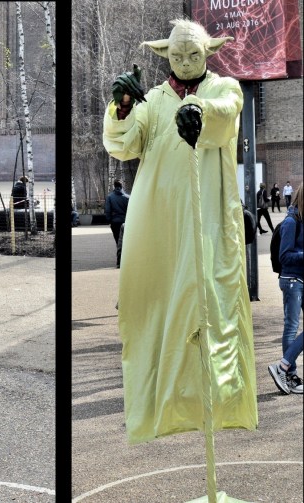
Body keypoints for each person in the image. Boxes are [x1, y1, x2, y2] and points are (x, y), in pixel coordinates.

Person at [103, 19, 257, 444]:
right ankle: (165, 405)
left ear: (207, 52)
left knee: (210, 309)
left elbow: (226, 116)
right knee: (154, 314)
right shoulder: (153, 100)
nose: (185, 63)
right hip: (158, 228)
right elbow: (123, 144)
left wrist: (199, 113)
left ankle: (217, 402)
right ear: (164, 56)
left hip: (205, 224)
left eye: (193, 55)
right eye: (176, 56)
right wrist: (123, 108)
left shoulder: (224, 88)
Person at [268, 184, 303, 395]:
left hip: (301, 279)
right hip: (292, 281)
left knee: (292, 327)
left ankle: (284, 367)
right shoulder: (291, 222)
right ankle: (289, 375)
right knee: (291, 327)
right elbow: (284, 256)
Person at [104, 179, 129, 267]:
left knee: (118, 241)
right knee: (126, 241)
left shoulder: (110, 197)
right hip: (126, 222)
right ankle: (126, 260)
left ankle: (119, 262)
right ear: (122, 186)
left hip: (115, 222)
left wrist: (109, 221)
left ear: (114, 186)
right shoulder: (127, 197)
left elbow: (107, 210)